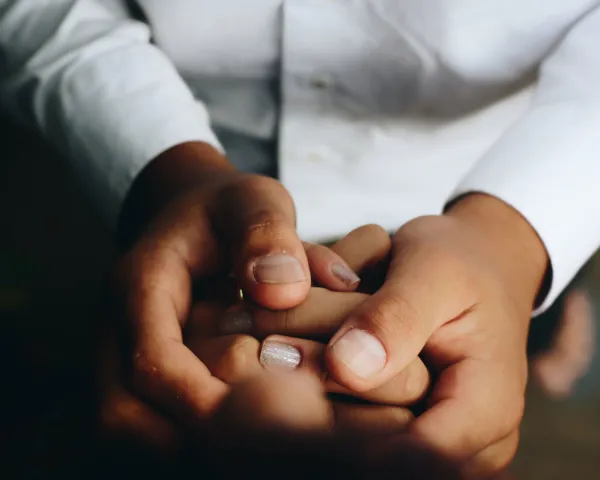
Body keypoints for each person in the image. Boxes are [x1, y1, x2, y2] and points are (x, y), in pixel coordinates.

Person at [2, 1, 600, 477]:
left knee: (507, 338)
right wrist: (165, 173)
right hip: (178, 209)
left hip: (499, 177)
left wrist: (518, 240)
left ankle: (547, 325)